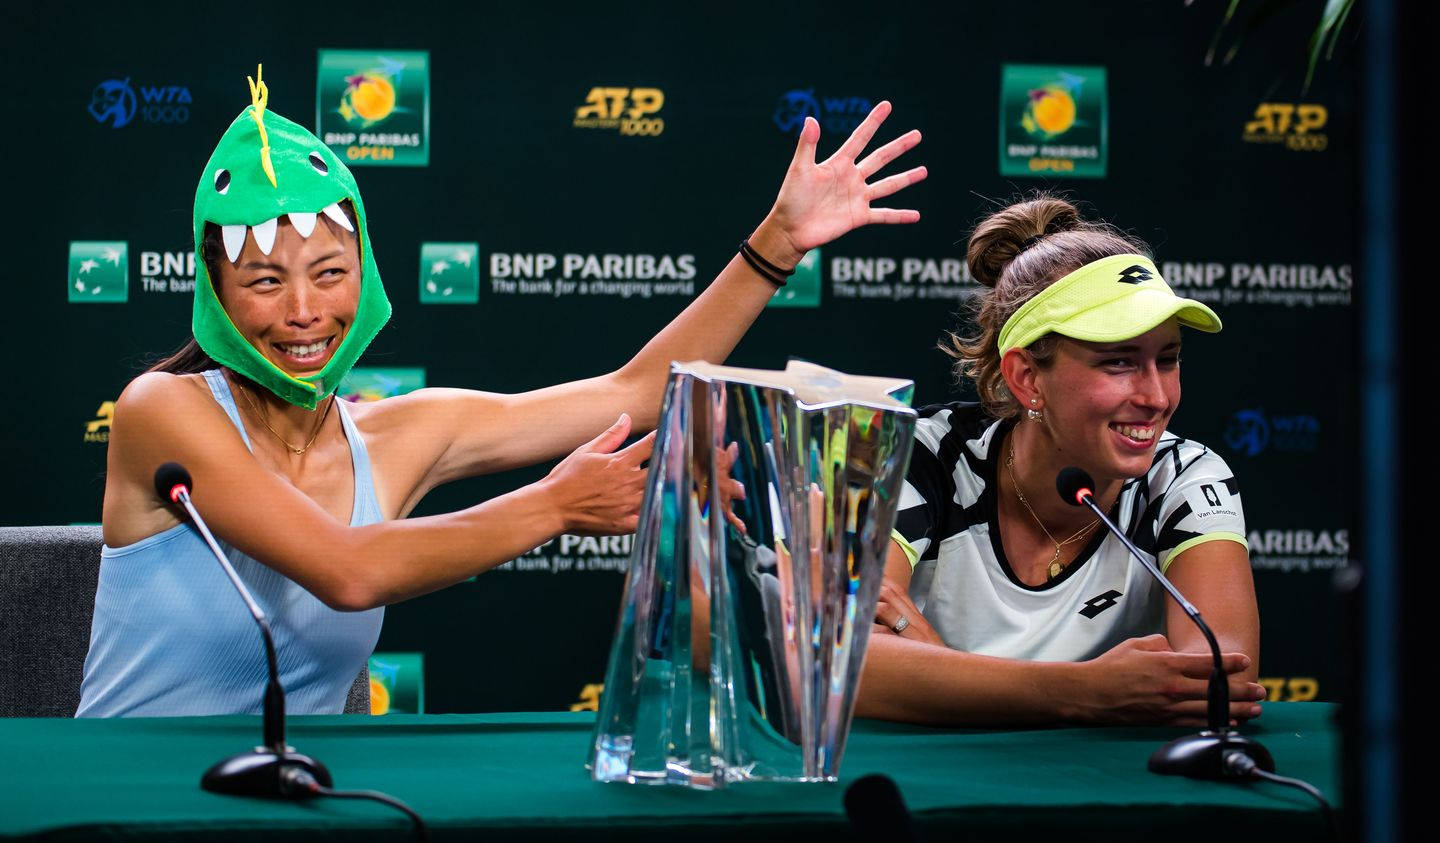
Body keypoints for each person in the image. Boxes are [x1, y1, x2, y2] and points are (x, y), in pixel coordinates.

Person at [77, 69, 926, 717]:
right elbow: (346, 570)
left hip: (285, 798)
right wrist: (553, 505)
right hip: (121, 800)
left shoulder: (397, 435)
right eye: (264, 280)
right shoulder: (162, 409)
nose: (304, 312)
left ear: (363, 276)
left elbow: (630, 390)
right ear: (216, 294)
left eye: (330, 273)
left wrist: (775, 246)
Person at [856, 195, 1267, 726]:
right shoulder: (914, 455)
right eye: (1118, 362)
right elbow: (834, 667)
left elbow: (1219, 687)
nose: (1157, 397)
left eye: (1167, 360)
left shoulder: (1185, 477)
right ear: (1027, 377)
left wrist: (936, 660)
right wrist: (1085, 692)